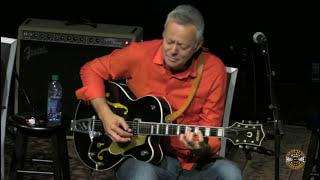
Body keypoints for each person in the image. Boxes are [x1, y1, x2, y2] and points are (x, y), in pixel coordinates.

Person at [76, 4, 242, 180]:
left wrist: (200, 147)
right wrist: (105, 114)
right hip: (142, 158)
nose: (173, 51)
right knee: (142, 176)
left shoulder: (213, 69)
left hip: (191, 163)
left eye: (183, 46)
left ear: (197, 45)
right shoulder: (140, 54)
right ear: (163, 34)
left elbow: (211, 130)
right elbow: (91, 69)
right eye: (169, 41)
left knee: (230, 173)